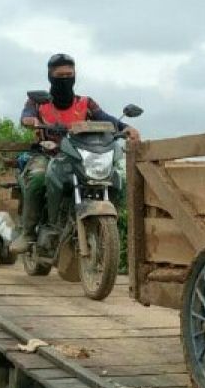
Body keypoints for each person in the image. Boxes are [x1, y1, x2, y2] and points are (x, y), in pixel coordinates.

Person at [10, 53, 140, 254]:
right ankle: (28, 233)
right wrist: (31, 121)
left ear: (75, 76)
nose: (65, 79)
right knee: (37, 179)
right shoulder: (37, 102)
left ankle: (104, 227)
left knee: (115, 178)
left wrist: (125, 127)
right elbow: (26, 116)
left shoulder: (86, 103)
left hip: (79, 155)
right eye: (60, 75)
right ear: (50, 77)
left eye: (69, 74)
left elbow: (105, 118)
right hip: (47, 154)